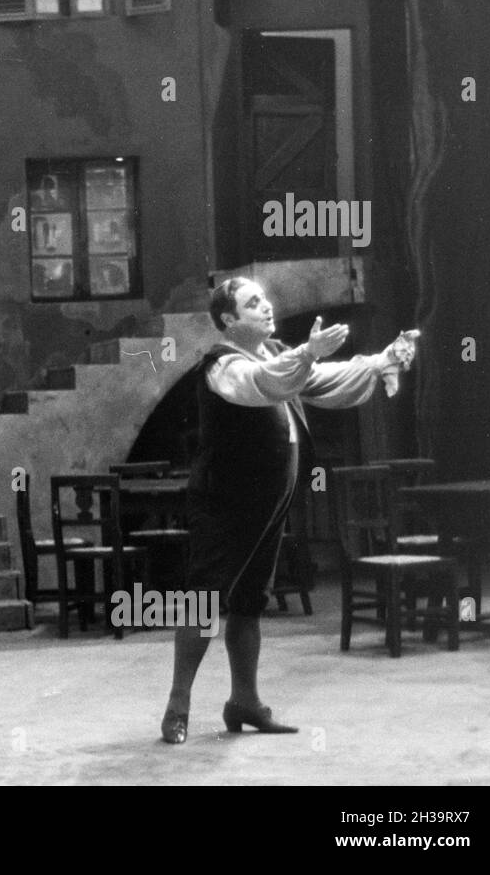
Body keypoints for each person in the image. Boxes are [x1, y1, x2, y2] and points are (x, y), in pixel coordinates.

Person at [161, 277, 417, 744]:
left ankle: (244, 702)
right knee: (203, 603)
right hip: (225, 503)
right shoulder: (222, 365)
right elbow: (262, 385)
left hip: (266, 503)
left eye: (264, 298)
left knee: (249, 603)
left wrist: (382, 360)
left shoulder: (274, 353)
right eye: (251, 303)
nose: (265, 306)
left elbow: (322, 382)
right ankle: (177, 706)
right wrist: (307, 354)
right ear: (229, 321)